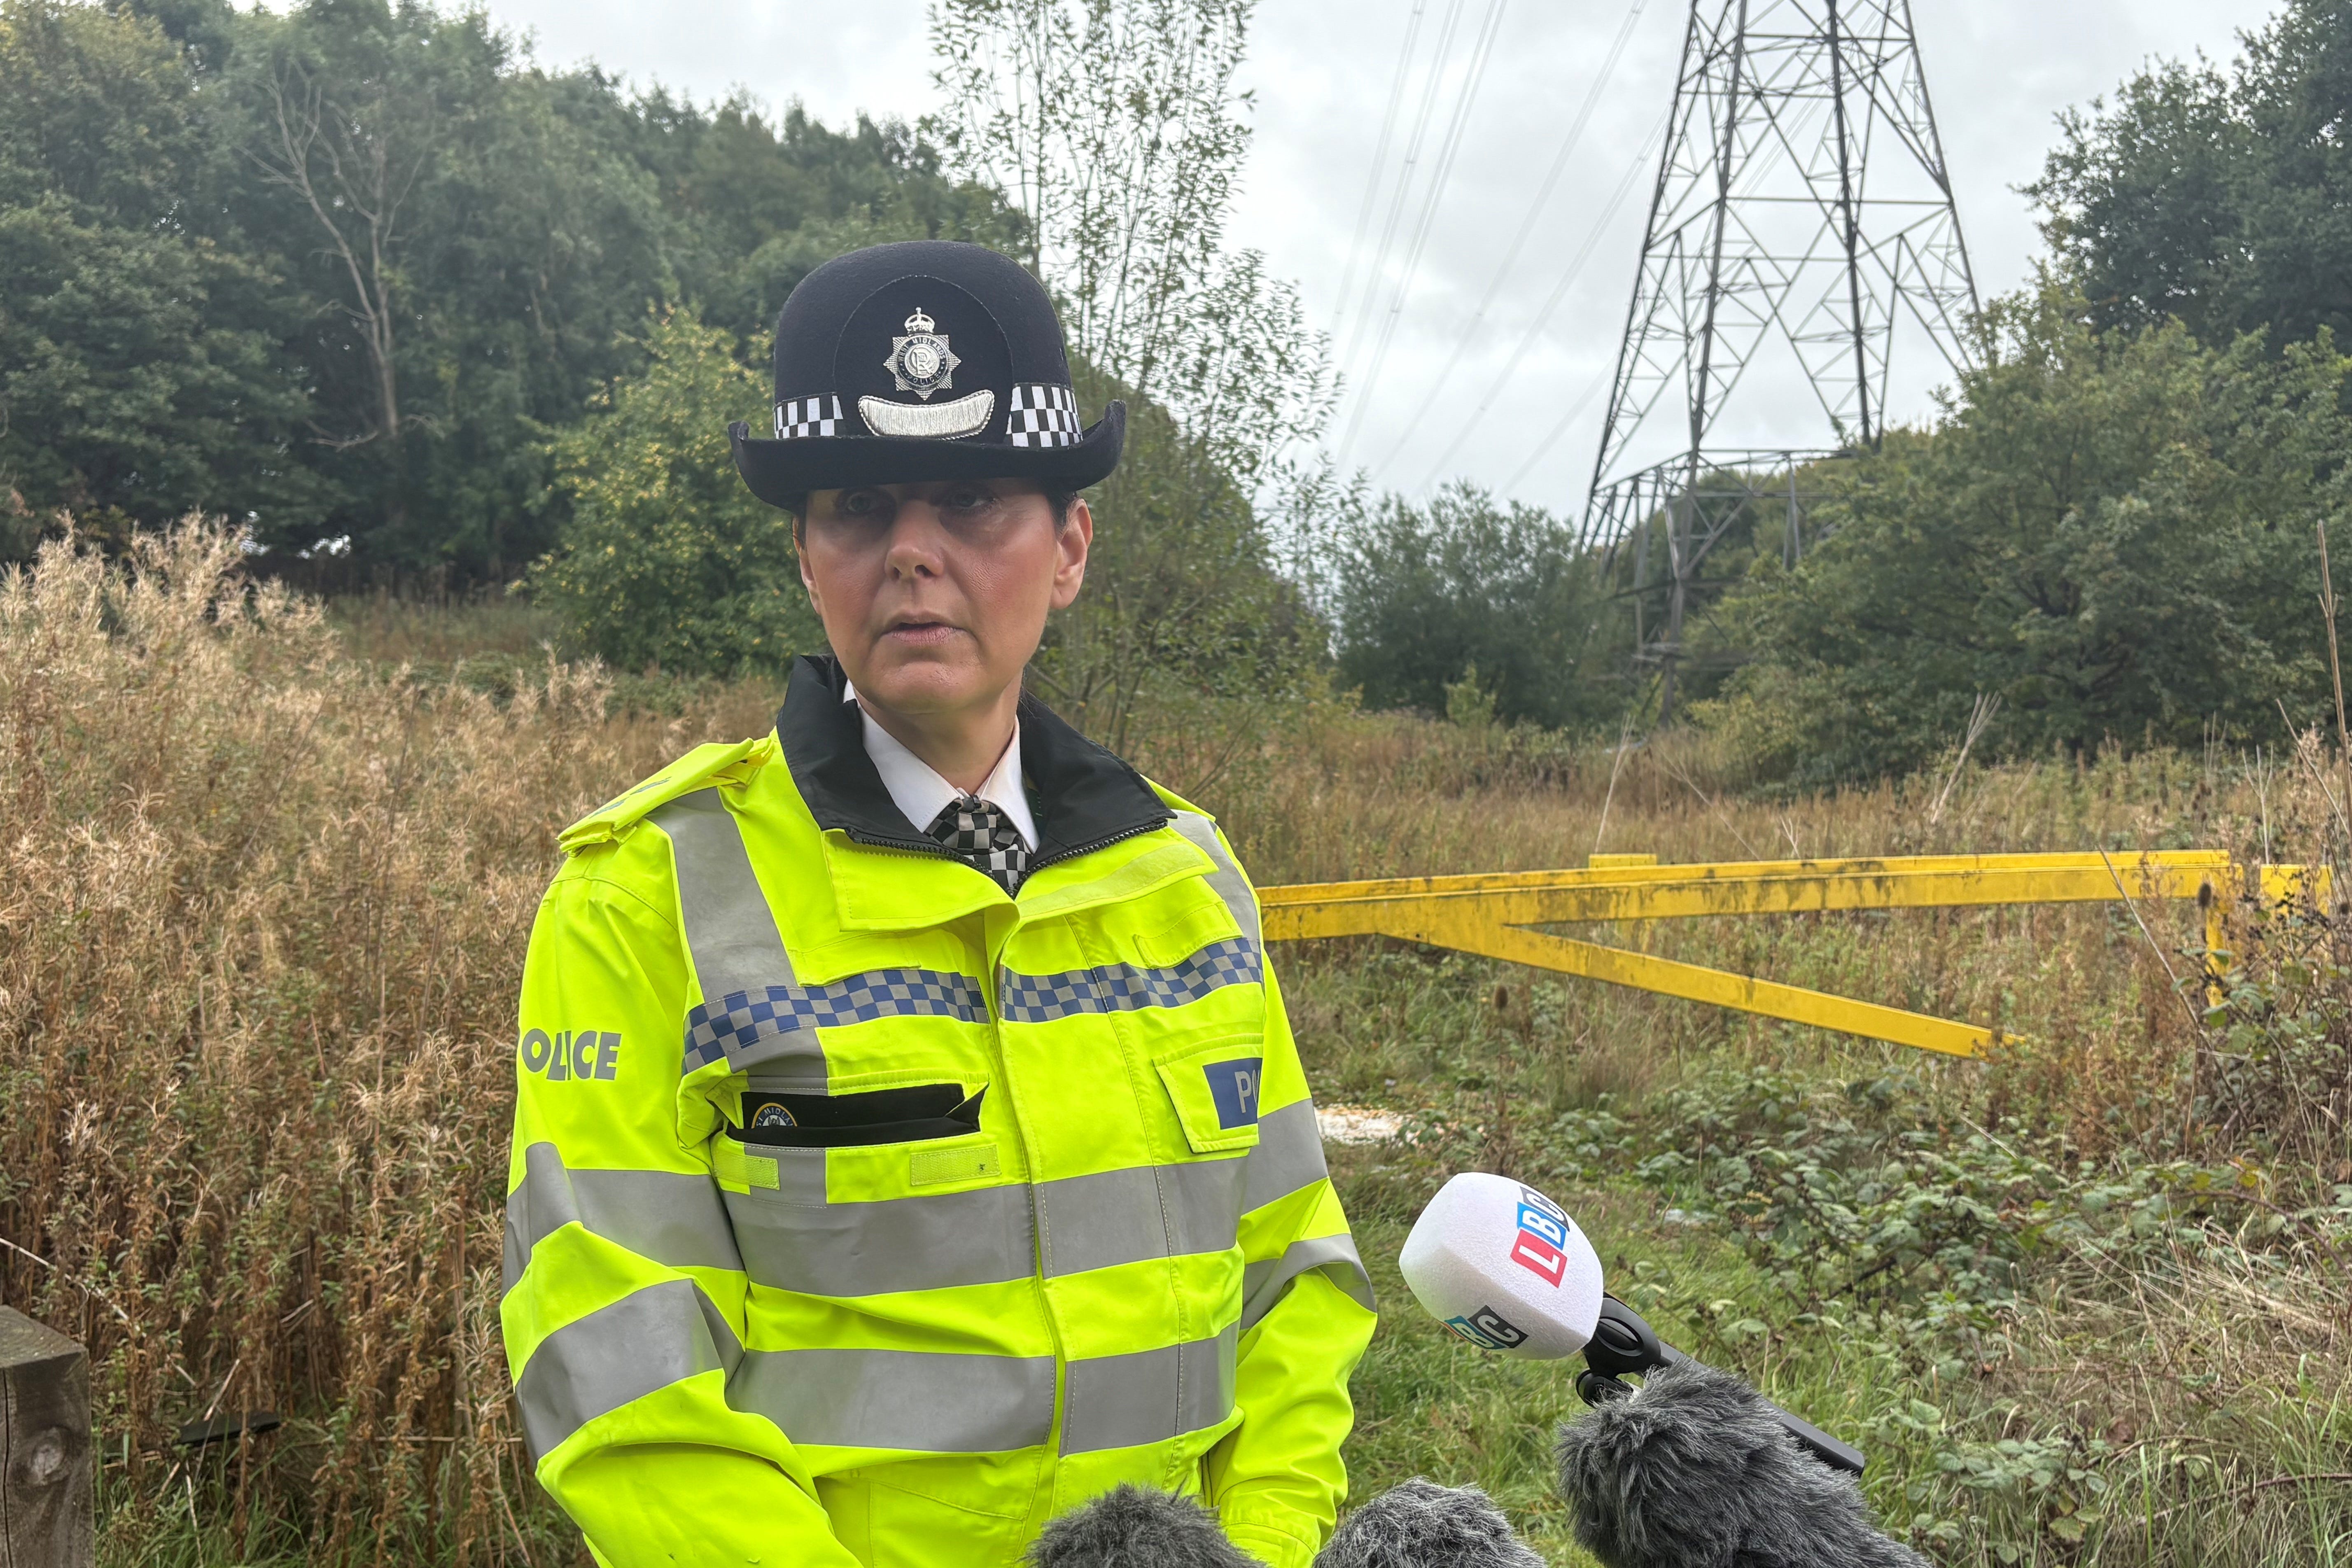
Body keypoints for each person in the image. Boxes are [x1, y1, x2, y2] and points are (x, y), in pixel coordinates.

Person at [499, 240, 1376, 1568]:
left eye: (972, 501)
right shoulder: (644, 899)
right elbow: (621, 1369)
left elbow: (1294, 1277)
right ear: (806, 556)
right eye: (857, 507)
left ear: (1070, 546)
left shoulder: (1191, 879)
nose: (912, 553)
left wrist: (1257, 1543)